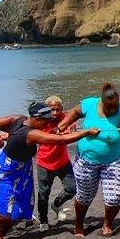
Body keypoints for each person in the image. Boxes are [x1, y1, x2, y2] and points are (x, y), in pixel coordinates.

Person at [0, 103, 100, 239]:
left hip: (21, 171)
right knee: (9, 215)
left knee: (21, 210)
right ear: (36, 118)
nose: (48, 124)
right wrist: (86, 132)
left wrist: (10, 134)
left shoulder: (18, 119)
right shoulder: (31, 134)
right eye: (46, 121)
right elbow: (61, 140)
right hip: (4, 173)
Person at [55, 84, 120, 238]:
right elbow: (76, 112)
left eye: (115, 106)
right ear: (102, 102)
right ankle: (79, 225)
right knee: (85, 196)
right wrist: (63, 125)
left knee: (114, 197)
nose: (113, 110)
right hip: (86, 161)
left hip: (113, 161)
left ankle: (107, 224)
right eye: (109, 107)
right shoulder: (90, 104)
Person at [34, 96, 78, 226]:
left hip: (62, 162)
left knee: (72, 188)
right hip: (44, 163)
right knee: (43, 194)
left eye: (58, 109)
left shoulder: (66, 118)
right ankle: (43, 221)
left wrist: (72, 131)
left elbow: (73, 130)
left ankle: (57, 204)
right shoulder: (40, 121)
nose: (55, 113)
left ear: (62, 109)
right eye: (52, 110)